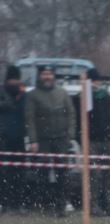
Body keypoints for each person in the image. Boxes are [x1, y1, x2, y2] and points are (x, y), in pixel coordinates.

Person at [24, 65, 76, 215]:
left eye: (49, 74)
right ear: (40, 76)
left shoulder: (62, 93)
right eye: (44, 74)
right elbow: (30, 119)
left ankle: (61, 205)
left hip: (61, 139)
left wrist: (70, 135)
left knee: (63, 173)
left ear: (53, 76)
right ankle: (46, 206)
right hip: (42, 140)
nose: (47, 77)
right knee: (42, 174)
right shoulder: (33, 95)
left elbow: (71, 114)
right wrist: (33, 140)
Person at [74, 69, 110, 215]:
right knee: (94, 175)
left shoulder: (107, 97)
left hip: (108, 140)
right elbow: (79, 122)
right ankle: (93, 205)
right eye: (92, 81)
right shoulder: (83, 98)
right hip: (91, 141)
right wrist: (82, 140)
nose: (96, 84)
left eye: (97, 81)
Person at [0, 64, 27, 212]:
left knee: (20, 173)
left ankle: (19, 202)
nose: (14, 82)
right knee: (5, 173)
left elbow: (27, 113)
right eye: (12, 79)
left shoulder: (23, 95)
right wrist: (11, 102)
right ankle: (5, 203)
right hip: (4, 137)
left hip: (19, 137)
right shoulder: (2, 91)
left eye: (16, 79)